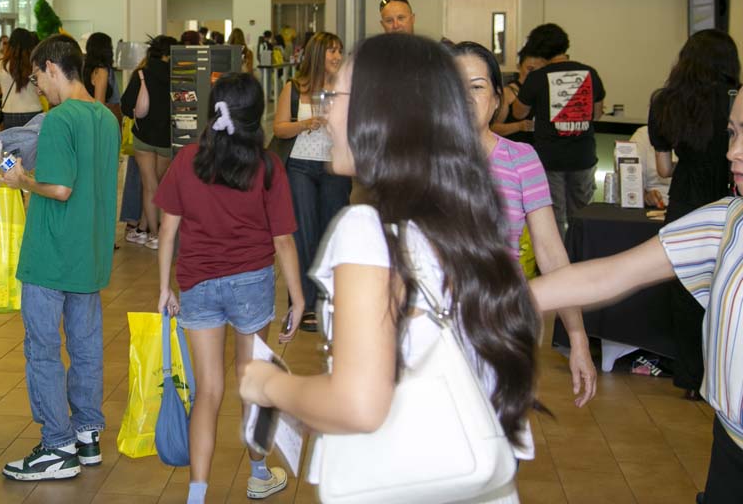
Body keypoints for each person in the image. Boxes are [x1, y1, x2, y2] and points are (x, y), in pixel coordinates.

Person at [240, 34, 540, 501]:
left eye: (335, 95)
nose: (327, 113)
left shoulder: (367, 232)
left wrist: (271, 385)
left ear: (376, 114)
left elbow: (359, 404)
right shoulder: (460, 219)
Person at [529, 85, 743, 500]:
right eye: (733, 134)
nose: (733, 152)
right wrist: (487, 304)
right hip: (731, 450)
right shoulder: (727, 221)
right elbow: (609, 275)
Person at [155, 73, 303, 503]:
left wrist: (165, 287)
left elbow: (167, 231)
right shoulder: (268, 166)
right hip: (252, 285)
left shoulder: (187, 160)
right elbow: (283, 241)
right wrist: (296, 296)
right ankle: (258, 474)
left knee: (208, 392)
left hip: (198, 284)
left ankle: (197, 496)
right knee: (252, 381)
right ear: (255, 116)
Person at [0, 36, 121, 482]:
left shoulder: (58, 121)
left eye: (37, 77)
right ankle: (87, 434)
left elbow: (60, 188)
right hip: (89, 253)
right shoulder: (108, 120)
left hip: (51, 253)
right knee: (86, 347)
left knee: (43, 350)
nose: (39, 87)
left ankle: (56, 444)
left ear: (52, 68)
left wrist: (21, 181)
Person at [452, 41, 597, 407]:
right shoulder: (423, 161)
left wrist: (577, 337)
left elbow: (551, 252)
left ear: (497, 99)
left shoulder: (522, 159)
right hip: (440, 326)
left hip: (505, 322)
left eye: (477, 86)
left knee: (501, 445)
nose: (466, 97)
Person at [648, 29, 740, 399]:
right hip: (730, 199)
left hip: (686, 201)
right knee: (730, 289)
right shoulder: (736, 98)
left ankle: (690, 380)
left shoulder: (667, 100)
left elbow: (665, 170)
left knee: (685, 291)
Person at [272, 31, 350, 332]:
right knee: (303, 233)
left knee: (331, 233)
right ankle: (301, 301)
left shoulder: (344, 89)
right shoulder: (294, 88)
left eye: (340, 50)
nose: (338, 57)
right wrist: (305, 124)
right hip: (300, 168)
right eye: (332, 51)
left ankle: (328, 300)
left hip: (334, 168)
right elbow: (279, 129)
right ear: (318, 55)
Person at [511, 23, 606, 237]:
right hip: (583, 156)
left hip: (549, 159)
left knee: (553, 220)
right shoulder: (590, 73)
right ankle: (582, 262)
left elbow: (518, 112)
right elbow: (596, 113)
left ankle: (557, 267)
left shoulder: (537, 77)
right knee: (582, 217)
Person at [121, 35, 178, 249]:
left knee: (149, 185)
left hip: (143, 137)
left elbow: (127, 105)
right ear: (168, 54)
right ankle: (154, 232)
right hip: (166, 138)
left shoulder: (141, 73)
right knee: (158, 185)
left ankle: (150, 233)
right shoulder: (177, 75)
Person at [0, 27, 43, 131]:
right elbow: (42, 89)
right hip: (34, 111)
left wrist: (5, 86)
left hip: (10, 113)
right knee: (33, 146)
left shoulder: (0, 65)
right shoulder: (35, 65)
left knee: (12, 145)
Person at [493, 48, 545, 143]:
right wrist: (519, 126)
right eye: (530, 69)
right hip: (514, 151)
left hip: (538, 150)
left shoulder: (543, 91)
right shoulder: (508, 93)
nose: (534, 74)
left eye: (540, 70)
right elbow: (494, 128)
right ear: (519, 66)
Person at [82, 32, 120, 121]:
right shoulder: (102, 71)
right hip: (100, 121)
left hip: (84, 118)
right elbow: (99, 106)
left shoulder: (83, 68)